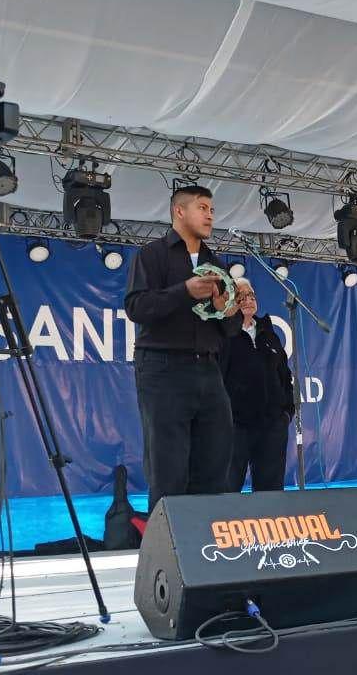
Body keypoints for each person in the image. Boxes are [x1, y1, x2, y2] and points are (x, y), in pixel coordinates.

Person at [125, 184, 241, 512]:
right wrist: (184, 291)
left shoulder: (216, 263)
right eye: (202, 207)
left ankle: (206, 549)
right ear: (180, 211)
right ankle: (166, 555)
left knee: (215, 461)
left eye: (212, 210)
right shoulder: (152, 255)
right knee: (168, 467)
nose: (210, 215)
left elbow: (230, 329)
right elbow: (137, 307)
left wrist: (225, 309)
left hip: (208, 368)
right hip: (162, 366)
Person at [221, 278, 295, 491]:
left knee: (271, 493)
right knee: (228, 488)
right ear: (231, 302)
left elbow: (285, 377)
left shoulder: (269, 335)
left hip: (271, 426)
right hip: (235, 426)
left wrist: (286, 414)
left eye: (251, 296)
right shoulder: (224, 334)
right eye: (241, 297)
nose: (247, 300)